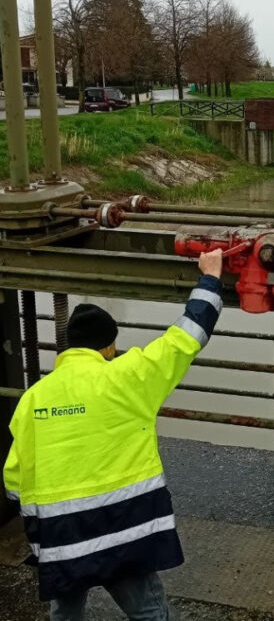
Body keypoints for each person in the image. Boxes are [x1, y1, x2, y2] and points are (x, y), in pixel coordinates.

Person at [3, 248, 225, 620]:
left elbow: (14, 477)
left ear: (70, 346)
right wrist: (211, 278)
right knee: (149, 611)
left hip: (62, 536)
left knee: (66, 613)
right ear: (108, 345)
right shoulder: (127, 377)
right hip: (124, 527)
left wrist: (46, 526)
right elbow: (187, 337)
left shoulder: (33, 398)